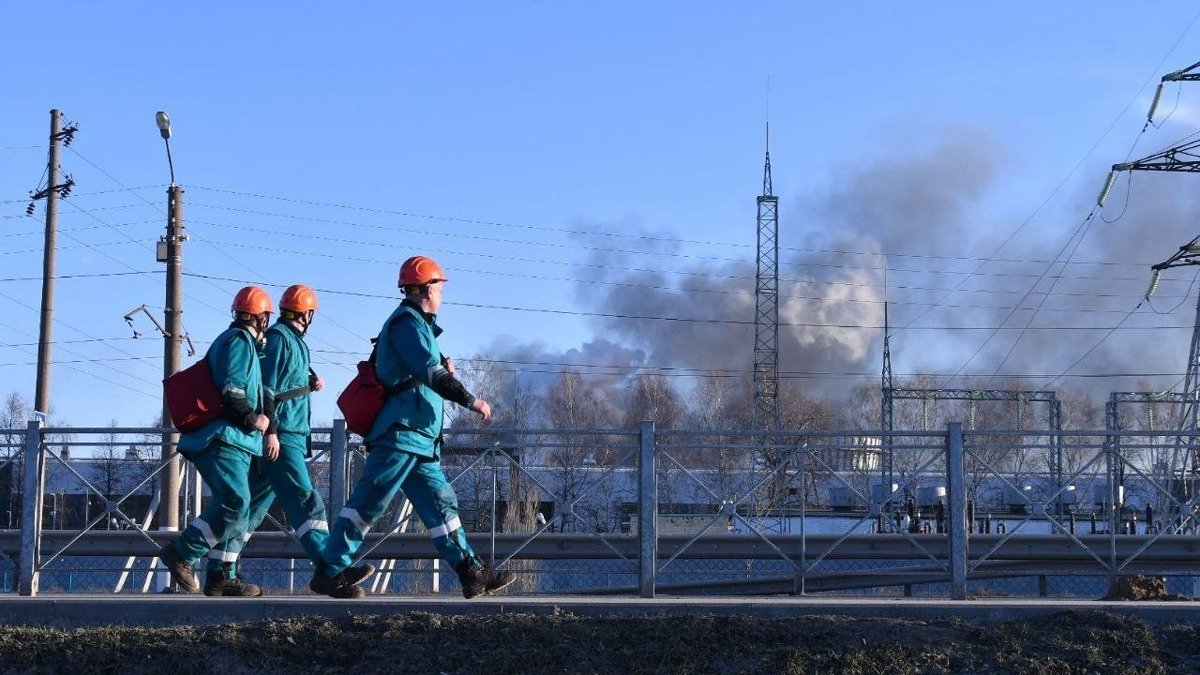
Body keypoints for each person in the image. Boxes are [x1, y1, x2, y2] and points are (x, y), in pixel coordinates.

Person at [311, 255, 516, 599]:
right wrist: (471, 400)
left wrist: (441, 368)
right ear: (426, 288)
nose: (442, 293)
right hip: (401, 433)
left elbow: (425, 370)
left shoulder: (418, 326)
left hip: (418, 438)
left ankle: (471, 572)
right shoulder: (407, 322)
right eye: (439, 285)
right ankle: (331, 571)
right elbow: (431, 374)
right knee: (369, 501)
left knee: (442, 506)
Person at [241, 284, 373, 598]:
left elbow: (282, 380)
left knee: (249, 510)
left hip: (285, 434)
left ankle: (216, 567)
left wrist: (308, 380)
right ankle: (331, 570)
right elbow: (267, 388)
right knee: (306, 501)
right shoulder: (280, 340)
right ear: (308, 313)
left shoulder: (289, 341)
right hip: (282, 435)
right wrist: (272, 430)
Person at [158, 286, 274, 597]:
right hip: (223, 438)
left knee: (239, 505)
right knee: (235, 502)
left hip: (233, 439)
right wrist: (254, 419)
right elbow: (232, 391)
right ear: (262, 318)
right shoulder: (237, 342)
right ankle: (182, 552)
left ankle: (221, 575)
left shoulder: (243, 343)